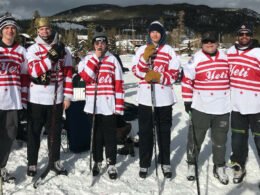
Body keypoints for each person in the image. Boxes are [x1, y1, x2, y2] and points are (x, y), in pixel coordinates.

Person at [132, 21, 180, 178]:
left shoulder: (169, 50)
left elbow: (174, 74)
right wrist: (145, 58)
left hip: (164, 99)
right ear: (149, 34)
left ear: (162, 34)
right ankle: (144, 163)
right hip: (146, 99)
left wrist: (158, 76)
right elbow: (136, 71)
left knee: (164, 132)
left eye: (158, 32)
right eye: (152, 32)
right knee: (146, 132)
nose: (155, 35)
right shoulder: (141, 49)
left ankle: (165, 162)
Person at [182, 32, 231, 185]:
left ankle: (219, 166)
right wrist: (187, 101)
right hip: (201, 106)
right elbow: (187, 81)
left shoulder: (225, 57)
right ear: (202, 43)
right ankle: (192, 163)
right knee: (195, 138)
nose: (209, 44)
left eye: (212, 41)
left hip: (222, 107)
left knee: (220, 140)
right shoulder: (195, 59)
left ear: (217, 42)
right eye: (206, 41)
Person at [26, 17, 73, 177]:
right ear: (37, 31)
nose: (45, 31)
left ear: (51, 29)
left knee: (55, 132)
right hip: (37, 98)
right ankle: (32, 162)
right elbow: (33, 71)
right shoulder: (32, 49)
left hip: (56, 97)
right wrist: (50, 57)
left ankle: (55, 161)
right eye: (41, 29)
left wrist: (67, 96)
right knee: (34, 132)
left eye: (47, 28)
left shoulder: (63, 49)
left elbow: (67, 73)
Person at [78, 26, 124, 180]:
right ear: (93, 44)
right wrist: (95, 60)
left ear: (106, 44)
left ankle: (111, 163)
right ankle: (97, 161)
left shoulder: (113, 60)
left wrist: (119, 105)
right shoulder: (87, 59)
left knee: (110, 136)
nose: (100, 45)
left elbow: (119, 83)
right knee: (96, 136)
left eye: (103, 42)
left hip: (109, 105)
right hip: (92, 105)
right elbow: (86, 77)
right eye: (97, 42)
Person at [227, 23, 260, 184]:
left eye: (247, 34)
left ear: (251, 36)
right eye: (241, 34)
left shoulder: (258, 52)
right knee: (237, 140)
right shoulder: (230, 52)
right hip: (237, 105)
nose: (244, 36)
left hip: (257, 105)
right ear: (237, 36)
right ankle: (238, 166)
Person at [0, 13, 28, 183]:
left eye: (13, 28)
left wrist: (23, 101)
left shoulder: (22, 51)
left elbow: (25, 78)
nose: (10, 31)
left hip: (13, 101)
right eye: (7, 28)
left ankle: (2, 167)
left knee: (9, 136)